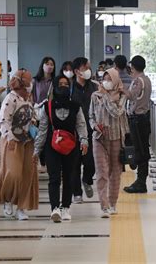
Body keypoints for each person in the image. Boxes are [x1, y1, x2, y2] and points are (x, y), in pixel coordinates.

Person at [33, 75, 89, 223]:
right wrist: (37, 150)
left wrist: (84, 141)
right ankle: (54, 208)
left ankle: (66, 207)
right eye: (60, 84)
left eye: (66, 84)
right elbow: (43, 130)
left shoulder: (75, 106)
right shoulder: (47, 106)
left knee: (69, 177)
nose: (63, 86)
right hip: (52, 147)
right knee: (54, 178)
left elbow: (81, 125)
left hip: (71, 147)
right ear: (55, 86)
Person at [0, 69, 39, 220]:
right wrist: (10, 137)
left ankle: (21, 207)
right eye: (28, 81)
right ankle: (8, 200)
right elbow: (2, 120)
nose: (31, 84)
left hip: (28, 142)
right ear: (21, 82)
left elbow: (31, 115)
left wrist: (33, 123)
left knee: (28, 174)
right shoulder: (11, 98)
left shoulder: (28, 98)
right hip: (12, 142)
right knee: (12, 173)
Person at [89, 68, 128, 217]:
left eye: (109, 79)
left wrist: (106, 97)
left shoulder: (122, 96)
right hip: (99, 138)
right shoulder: (95, 96)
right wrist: (94, 126)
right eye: (104, 78)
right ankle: (104, 206)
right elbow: (91, 116)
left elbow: (116, 112)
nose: (106, 81)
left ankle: (113, 203)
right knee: (102, 172)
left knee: (115, 173)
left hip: (116, 138)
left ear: (116, 80)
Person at [122, 56, 152, 193]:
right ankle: (141, 180)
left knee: (140, 150)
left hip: (138, 120)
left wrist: (121, 89)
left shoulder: (138, 81)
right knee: (142, 149)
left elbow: (131, 96)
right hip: (144, 118)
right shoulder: (146, 79)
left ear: (133, 67)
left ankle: (141, 182)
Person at [70, 57, 98, 203]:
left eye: (89, 67)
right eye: (85, 68)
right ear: (76, 71)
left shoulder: (95, 87)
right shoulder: (69, 88)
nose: (88, 70)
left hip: (91, 130)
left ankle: (87, 179)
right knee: (74, 163)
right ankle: (76, 193)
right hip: (74, 132)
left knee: (90, 161)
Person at [33, 56, 56, 172]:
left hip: (50, 112)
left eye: (52, 64)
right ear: (42, 65)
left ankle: (47, 162)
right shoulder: (35, 81)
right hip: (38, 112)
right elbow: (32, 98)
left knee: (48, 137)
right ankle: (38, 161)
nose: (50, 66)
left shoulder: (55, 81)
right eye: (47, 64)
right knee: (38, 136)